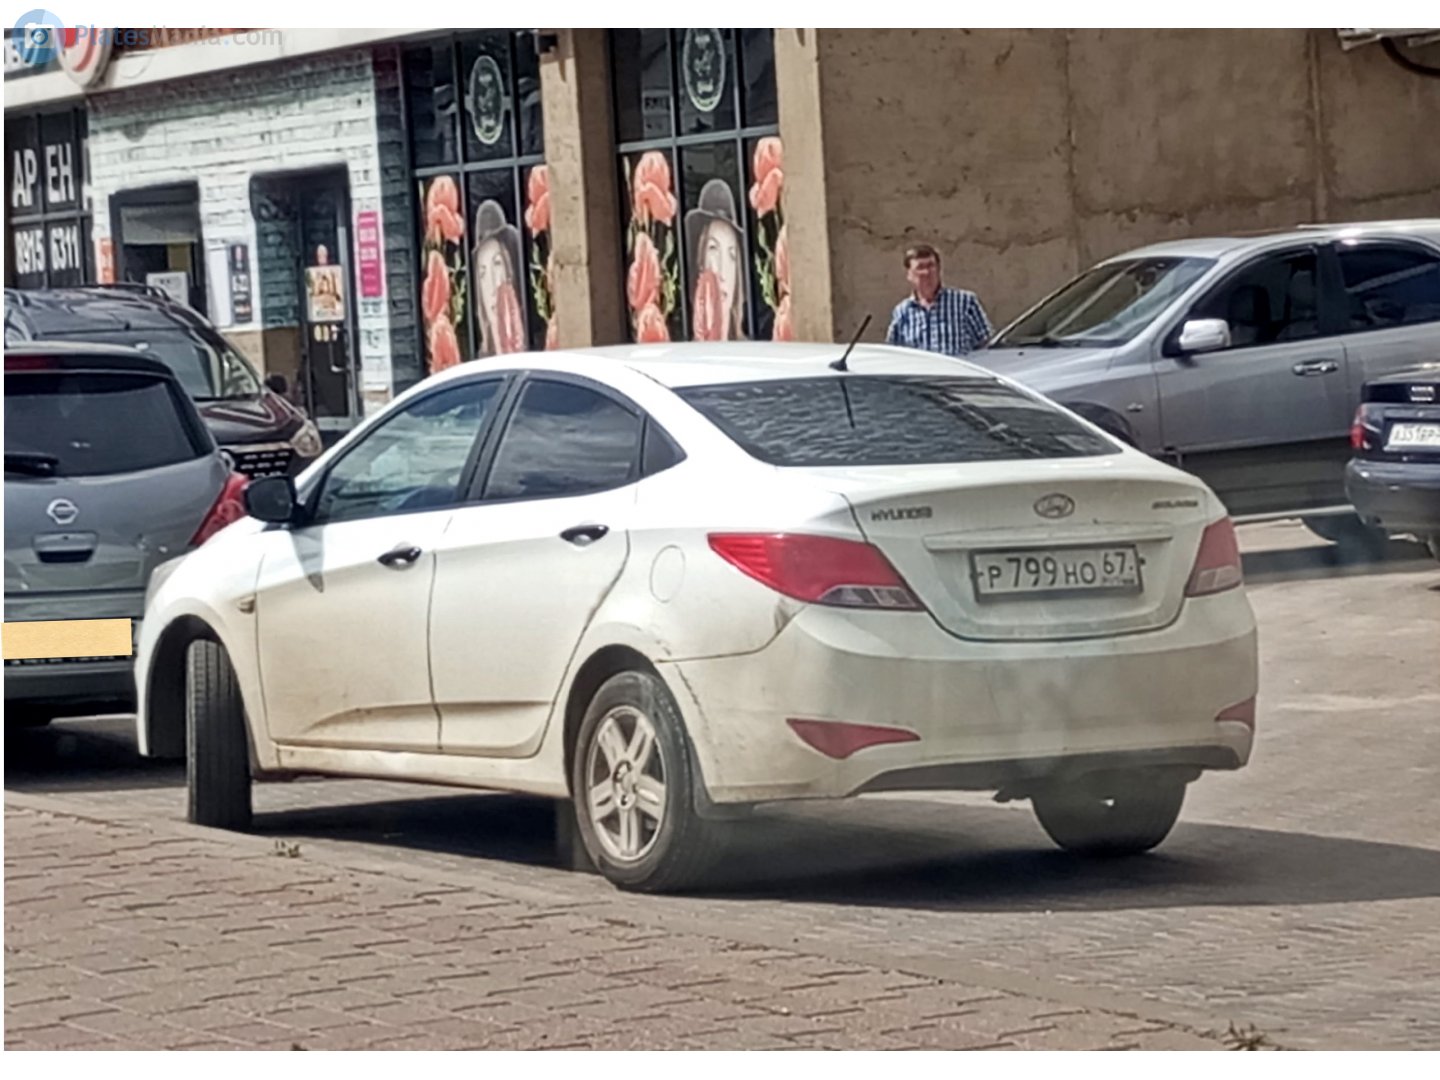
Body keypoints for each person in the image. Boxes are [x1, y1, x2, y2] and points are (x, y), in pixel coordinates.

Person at [886, 243, 992, 357]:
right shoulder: (902, 312)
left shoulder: (965, 302)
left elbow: (986, 344)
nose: (927, 272)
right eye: (920, 267)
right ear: (909, 275)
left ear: (939, 269)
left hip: (956, 372)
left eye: (931, 266)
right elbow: (894, 353)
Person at [685, 179, 746, 341]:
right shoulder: (685, 355)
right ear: (700, 261)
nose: (722, 270)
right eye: (713, 249)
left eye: (732, 256)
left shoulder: (750, 351)